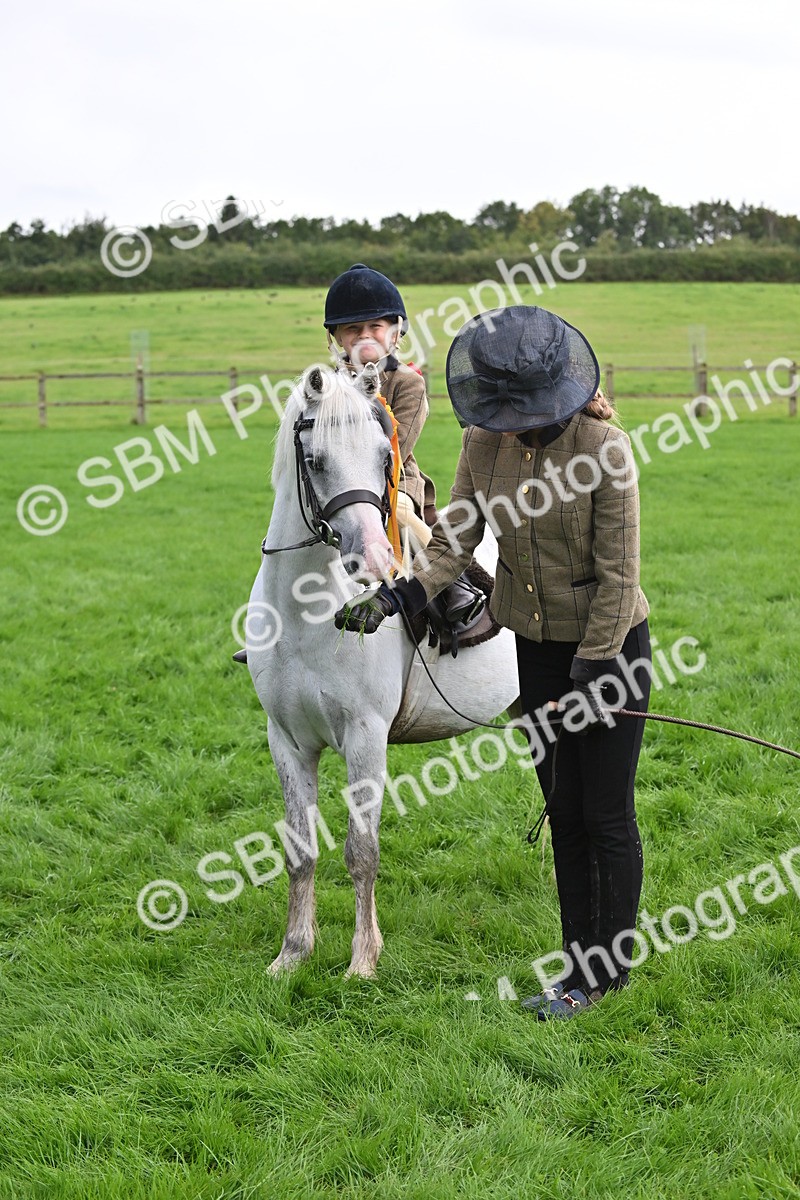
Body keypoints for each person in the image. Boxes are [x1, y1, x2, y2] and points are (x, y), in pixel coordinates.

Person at [335, 305, 652, 1021]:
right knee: (563, 810)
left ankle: (610, 972)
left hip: (610, 651)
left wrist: (598, 663)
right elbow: (453, 540)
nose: (510, 418)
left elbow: (620, 575)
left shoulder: (607, 448)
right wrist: (400, 597)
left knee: (605, 813)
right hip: (534, 652)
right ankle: (579, 971)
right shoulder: (483, 444)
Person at [232, 263, 477, 662]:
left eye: (375, 328)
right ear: (336, 338)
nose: (365, 337)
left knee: (404, 521)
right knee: (292, 527)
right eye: (353, 330)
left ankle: (455, 592)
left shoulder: (408, 383)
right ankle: (276, 627)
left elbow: (398, 443)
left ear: (395, 333)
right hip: (338, 482)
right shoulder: (324, 386)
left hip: (392, 480)